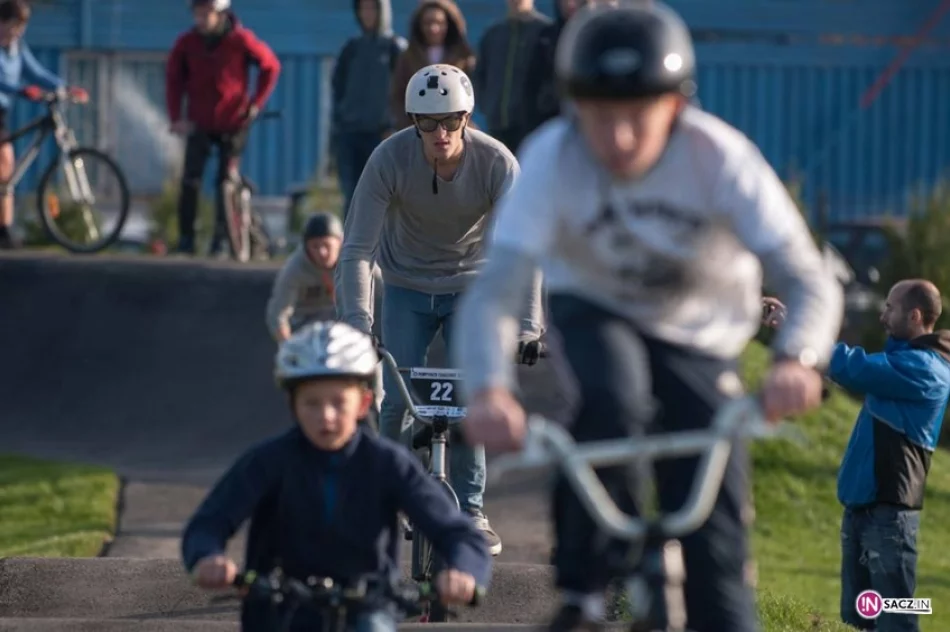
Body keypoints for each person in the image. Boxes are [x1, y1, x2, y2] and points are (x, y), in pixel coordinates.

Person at [453, 4, 843, 631]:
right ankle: (585, 589)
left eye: (639, 116)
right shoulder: (553, 156)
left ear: (676, 105)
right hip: (597, 310)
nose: (620, 138)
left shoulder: (719, 157)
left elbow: (806, 275)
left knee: (713, 498)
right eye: (600, 116)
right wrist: (489, 389)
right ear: (573, 105)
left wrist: (797, 358)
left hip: (702, 331)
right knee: (611, 400)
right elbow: (496, 289)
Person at [338, 64, 546, 557]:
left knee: (470, 400)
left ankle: (471, 510)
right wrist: (356, 325)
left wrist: (527, 324)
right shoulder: (388, 159)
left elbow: (523, 249)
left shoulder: (497, 164)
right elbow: (356, 251)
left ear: (467, 118)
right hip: (406, 284)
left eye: (451, 121)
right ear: (413, 123)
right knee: (395, 402)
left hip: (472, 288)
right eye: (426, 123)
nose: (439, 134)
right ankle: (389, 498)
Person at [182, 321, 491, 631]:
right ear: (292, 405)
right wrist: (207, 556)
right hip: (279, 610)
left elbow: (456, 531)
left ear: (363, 403)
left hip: (368, 609)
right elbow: (210, 521)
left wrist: (464, 570)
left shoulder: (388, 463)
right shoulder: (268, 461)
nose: (326, 415)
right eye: (312, 403)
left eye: (338, 402)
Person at [766, 280, 949, 632]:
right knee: (857, 619)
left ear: (914, 315)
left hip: (890, 517)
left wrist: (797, 328)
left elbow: (854, 367)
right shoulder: (900, 362)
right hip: (864, 508)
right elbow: (850, 371)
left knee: (897, 617)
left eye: (889, 308)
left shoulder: (927, 370)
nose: (882, 316)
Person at [165, 0, 281, 255]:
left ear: (220, 13)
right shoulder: (187, 44)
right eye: (197, 13)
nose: (202, 19)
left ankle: (222, 239)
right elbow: (174, 80)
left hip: (233, 122)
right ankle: (187, 239)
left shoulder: (240, 40)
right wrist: (176, 117)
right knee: (190, 180)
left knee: (224, 182)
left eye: (207, 12)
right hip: (200, 122)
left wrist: (255, 103)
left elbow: (270, 67)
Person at [265, 212, 385, 424]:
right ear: (305, 246)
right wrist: (289, 348)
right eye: (315, 246)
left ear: (340, 242)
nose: (321, 252)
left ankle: (377, 406)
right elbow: (277, 315)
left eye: (327, 245)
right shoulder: (295, 268)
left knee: (374, 363)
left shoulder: (355, 259)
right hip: (310, 329)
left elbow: (384, 295)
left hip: (348, 323)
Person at [0, 0, 87, 250]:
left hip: (2, 112)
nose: (15, 33)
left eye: (20, 28)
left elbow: (36, 72)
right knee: (5, 163)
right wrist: (21, 90)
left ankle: (4, 230)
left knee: (7, 172)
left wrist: (64, 87)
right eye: (11, 26)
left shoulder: (16, 49)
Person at [331, 0, 407, 221]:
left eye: (372, 8)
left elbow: (404, 93)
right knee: (352, 194)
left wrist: (393, 125)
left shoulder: (396, 48)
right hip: (350, 134)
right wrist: (339, 127)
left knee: (382, 193)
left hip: (381, 134)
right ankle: (352, 250)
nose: (368, 13)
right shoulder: (351, 49)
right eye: (363, 8)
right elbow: (337, 91)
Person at [472, 0, 550, 154]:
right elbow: (480, 73)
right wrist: (487, 104)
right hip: (497, 125)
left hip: (532, 128)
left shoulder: (545, 31)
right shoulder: (494, 33)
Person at [388, 0, 475, 131]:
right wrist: (409, 125)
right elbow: (397, 95)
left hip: (454, 130)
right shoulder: (408, 57)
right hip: (418, 129)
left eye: (440, 23)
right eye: (428, 23)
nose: (434, 28)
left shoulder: (463, 57)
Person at [521, 0, 586, 138]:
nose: (570, 5)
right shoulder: (546, 36)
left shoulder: (592, 35)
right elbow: (531, 82)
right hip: (547, 119)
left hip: (584, 122)